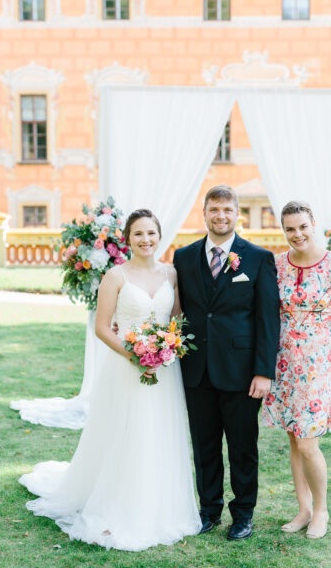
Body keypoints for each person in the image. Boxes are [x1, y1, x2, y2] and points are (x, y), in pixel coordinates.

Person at [19, 209, 202, 550]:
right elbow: (102, 327)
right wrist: (136, 355)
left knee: (160, 432)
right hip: (125, 366)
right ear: (128, 239)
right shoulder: (115, 276)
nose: (146, 240)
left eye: (151, 233)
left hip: (164, 369)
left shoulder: (172, 274)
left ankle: (160, 505)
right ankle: (118, 504)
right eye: (138, 234)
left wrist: (165, 349)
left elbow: (177, 319)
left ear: (159, 236)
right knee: (126, 432)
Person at [173, 185, 280, 541]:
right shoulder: (184, 258)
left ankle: (244, 513)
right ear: (204, 213)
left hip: (242, 372)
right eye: (214, 209)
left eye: (227, 210)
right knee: (204, 444)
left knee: (242, 446)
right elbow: (177, 312)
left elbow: (268, 320)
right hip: (196, 369)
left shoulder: (258, 258)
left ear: (238, 214)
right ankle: (208, 510)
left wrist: (264, 371)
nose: (221, 216)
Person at [262, 200, 331, 540]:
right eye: (289, 228)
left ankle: (321, 509)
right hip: (284, 362)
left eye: (302, 226)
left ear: (313, 223)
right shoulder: (275, 264)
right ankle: (303, 508)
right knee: (294, 440)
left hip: (319, 364)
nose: (297, 234)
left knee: (308, 444)